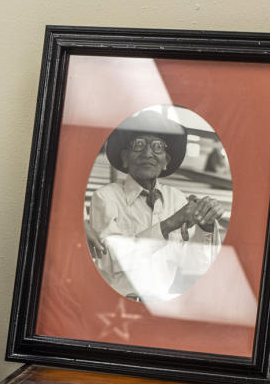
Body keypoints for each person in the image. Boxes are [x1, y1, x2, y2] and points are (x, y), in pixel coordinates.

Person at [87, 108, 224, 302]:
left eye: (158, 146)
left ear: (166, 162)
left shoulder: (177, 198)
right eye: (139, 145)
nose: (148, 153)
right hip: (119, 302)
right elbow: (113, 259)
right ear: (125, 158)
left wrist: (206, 225)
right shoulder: (105, 197)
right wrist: (170, 223)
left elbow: (196, 265)